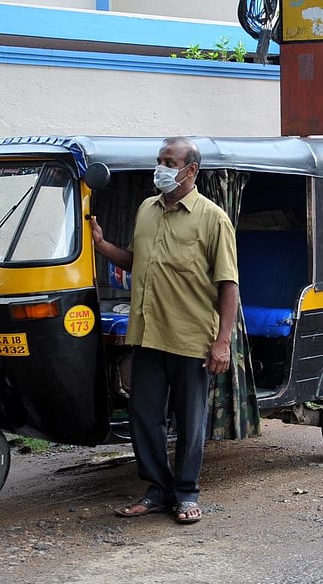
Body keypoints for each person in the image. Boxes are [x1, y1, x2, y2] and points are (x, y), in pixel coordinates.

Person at [90, 136, 239, 525]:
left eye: (168, 161)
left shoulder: (212, 218)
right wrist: (103, 246)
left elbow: (228, 285)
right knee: (144, 415)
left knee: (189, 419)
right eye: (159, 160)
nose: (161, 167)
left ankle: (186, 493)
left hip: (191, 338)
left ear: (190, 170)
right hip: (147, 333)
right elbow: (137, 261)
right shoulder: (147, 210)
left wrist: (222, 342)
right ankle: (156, 489)